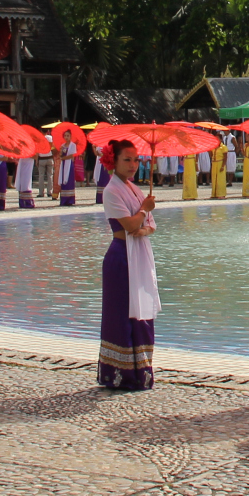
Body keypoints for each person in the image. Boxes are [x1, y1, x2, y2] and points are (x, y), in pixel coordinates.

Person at [97, 139, 159, 389]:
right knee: (122, 312)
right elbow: (132, 225)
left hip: (139, 252)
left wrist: (144, 224)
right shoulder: (112, 190)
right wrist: (144, 211)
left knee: (142, 311)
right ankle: (120, 372)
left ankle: (141, 370)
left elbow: (150, 226)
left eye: (136, 160)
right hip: (121, 256)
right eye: (127, 160)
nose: (133, 165)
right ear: (114, 161)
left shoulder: (134, 188)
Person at [57, 135, 79, 206]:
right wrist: (60, 151)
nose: (66, 137)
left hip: (69, 163)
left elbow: (72, 155)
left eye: (68, 136)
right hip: (63, 164)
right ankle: (64, 199)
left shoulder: (73, 145)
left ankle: (70, 200)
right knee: (63, 180)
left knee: (69, 180)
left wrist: (65, 158)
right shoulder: (63, 145)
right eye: (65, 136)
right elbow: (60, 155)